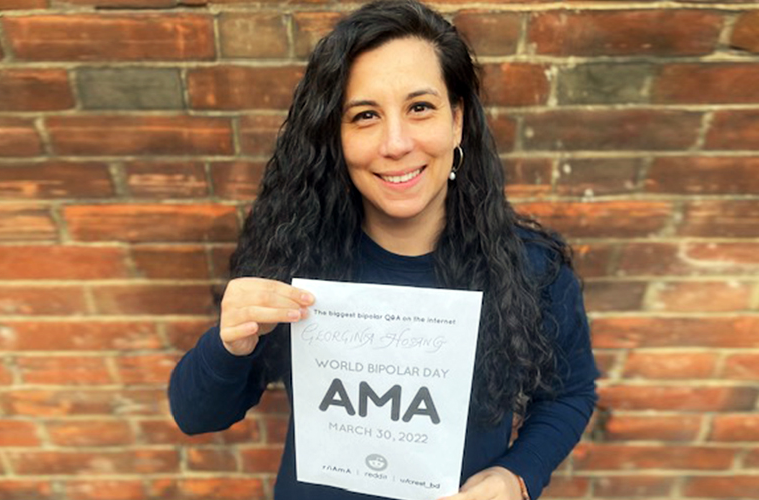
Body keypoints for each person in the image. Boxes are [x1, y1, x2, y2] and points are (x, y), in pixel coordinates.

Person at [168, 1, 599, 499]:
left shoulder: (531, 268)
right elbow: (196, 414)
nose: (395, 143)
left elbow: (569, 394)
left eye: (420, 108)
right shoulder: (299, 261)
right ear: (336, 135)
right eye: (365, 115)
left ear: (456, 121)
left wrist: (516, 476)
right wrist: (229, 345)